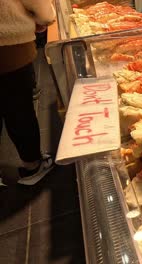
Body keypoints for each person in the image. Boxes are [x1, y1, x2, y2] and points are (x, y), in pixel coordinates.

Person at [0, 0, 57, 185]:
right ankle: (33, 166)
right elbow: (43, 11)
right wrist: (44, 18)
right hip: (8, 47)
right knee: (18, 111)